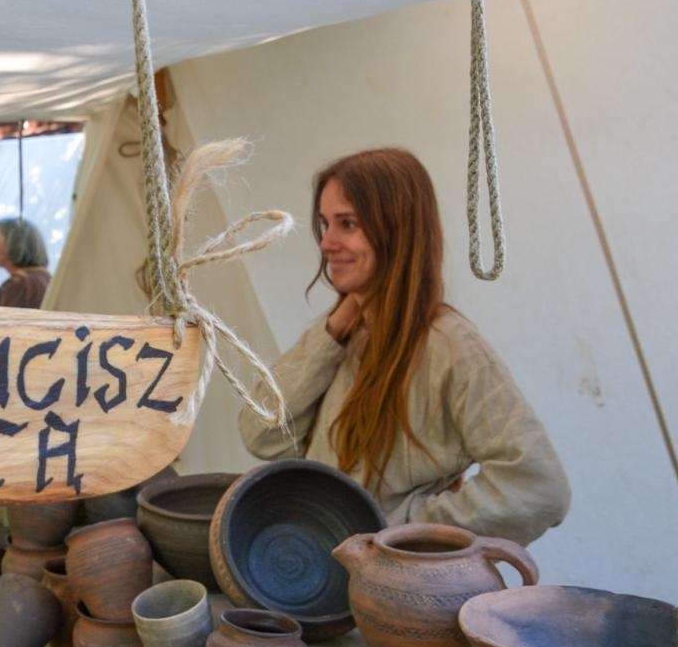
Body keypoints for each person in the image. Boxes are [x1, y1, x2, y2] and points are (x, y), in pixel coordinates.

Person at [238, 148, 570, 547]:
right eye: (326, 224)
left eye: (348, 224)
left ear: (397, 230)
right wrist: (335, 328)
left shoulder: (450, 345)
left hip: (392, 579)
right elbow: (261, 433)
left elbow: (538, 489)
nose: (327, 243)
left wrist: (404, 525)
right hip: (321, 566)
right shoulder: (346, 335)